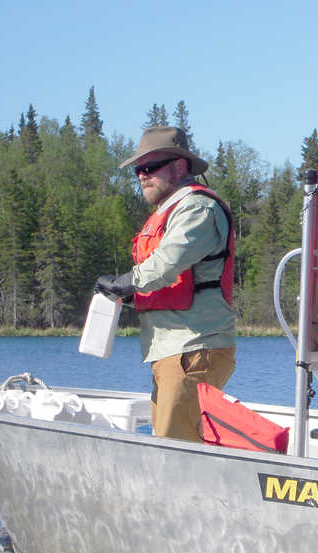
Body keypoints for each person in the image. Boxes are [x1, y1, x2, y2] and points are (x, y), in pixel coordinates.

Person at [95, 126, 236, 441]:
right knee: (168, 444)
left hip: (194, 348)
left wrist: (125, 282)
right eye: (138, 169)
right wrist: (124, 296)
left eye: (151, 167)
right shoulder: (174, 210)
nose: (142, 175)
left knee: (176, 450)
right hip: (174, 351)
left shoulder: (197, 208)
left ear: (179, 165)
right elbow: (172, 284)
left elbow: (168, 263)